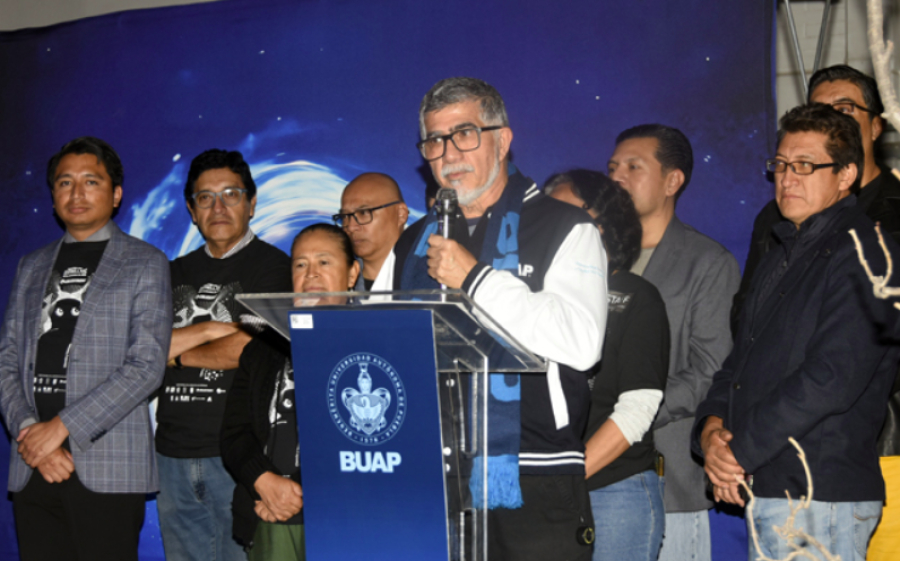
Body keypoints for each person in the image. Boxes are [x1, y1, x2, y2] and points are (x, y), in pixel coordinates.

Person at [391, 77, 608, 560]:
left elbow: (581, 342)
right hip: (431, 475)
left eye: (464, 134)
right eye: (434, 140)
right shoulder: (411, 242)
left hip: (533, 475)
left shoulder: (564, 226)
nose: (449, 153)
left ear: (503, 140)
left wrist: (475, 279)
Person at [694, 103, 900, 561]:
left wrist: (739, 452)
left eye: (805, 165)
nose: (787, 178)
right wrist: (712, 433)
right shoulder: (779, 254)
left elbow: (833, 376)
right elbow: (737, 364)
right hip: (771, 487)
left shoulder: (868, 253)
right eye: (782, 164)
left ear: (846, 175)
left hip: (819, 497)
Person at [0, 136, 172, 560]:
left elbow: (146, 366)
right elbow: (7, 359)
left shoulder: (146, 262)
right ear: (53, 194)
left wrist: (60, 428)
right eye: (65, 183)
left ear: (116, 194)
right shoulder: (31, 265)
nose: (76, 193)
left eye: (90, 182)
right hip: (33, 464)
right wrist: (30, 434)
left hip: (107, 468)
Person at [607, 124, 740, 561]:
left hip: (667, 476)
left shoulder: (708, 262)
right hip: (594, 473)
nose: (617, 177)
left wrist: (626, 414)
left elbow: (710, 371)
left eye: (633, 167)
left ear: (672, 180)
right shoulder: (591, 257)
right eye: (612, 167)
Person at [155, 149, 292, 561]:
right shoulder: (169, 272)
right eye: (205, 197)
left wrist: (177, 354)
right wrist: (209, 329)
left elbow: (252, 347)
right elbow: (141, 349)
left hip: (238, 457)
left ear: (252, 203)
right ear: (191, 210)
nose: (218, 207)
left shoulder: (276, 268)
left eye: (231, 194)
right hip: (171, 455)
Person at [548, 170, 669, 561]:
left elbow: (637, 409)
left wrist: (564, 477)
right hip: (548, 494)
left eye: (563, 214)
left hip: (614, 494)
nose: (549, 225)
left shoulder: (636, 297)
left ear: (602, 225)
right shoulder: (535, 302)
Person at [221, 223, 360, 560]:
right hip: (266, 515)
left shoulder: (370, 345)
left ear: (352, 273)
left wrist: (290, 493)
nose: (311, 274)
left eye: (324, 262)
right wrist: (263, 481)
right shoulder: (262, 348)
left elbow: (362, 440)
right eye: (300, 264)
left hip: (340, 517)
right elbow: (234, 432)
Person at [333, 173, 408, 291]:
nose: (351, 227)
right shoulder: (335, 286)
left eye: (364, 213)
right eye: (345, 216)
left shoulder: (430, 277)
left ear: (400, 214)